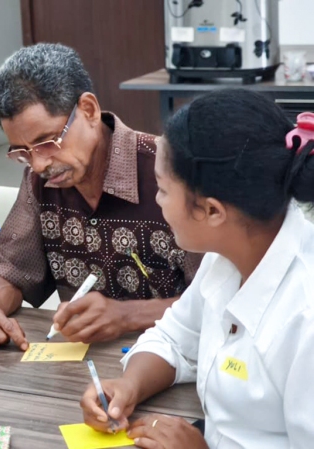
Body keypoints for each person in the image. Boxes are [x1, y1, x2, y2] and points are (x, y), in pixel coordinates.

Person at [79, 89, 314, 448]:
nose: (157, 201)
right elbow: (174, 338)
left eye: (162, 189)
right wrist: (129, 386)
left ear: (213, 211)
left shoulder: (304, 317)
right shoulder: (229, 256)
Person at [0, 43, 201, 350]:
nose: (39, 164)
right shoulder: (40, 181)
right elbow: (9, 269)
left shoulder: (172, 170)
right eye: (23, 152)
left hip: (180, 361)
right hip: (81, 366)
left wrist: (127, 315)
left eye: (47, 142)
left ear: (88, 110)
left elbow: (219, 300)